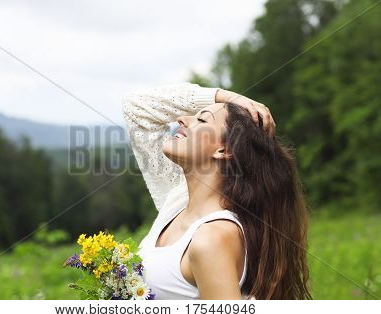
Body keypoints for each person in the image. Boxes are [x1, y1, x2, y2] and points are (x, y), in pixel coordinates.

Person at [122, 82, 311, 299]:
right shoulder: (177, 200)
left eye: (201, 120)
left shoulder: (212, 238)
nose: (182, 119)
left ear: (224, 149)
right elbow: (136, 105)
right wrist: (230, 97)